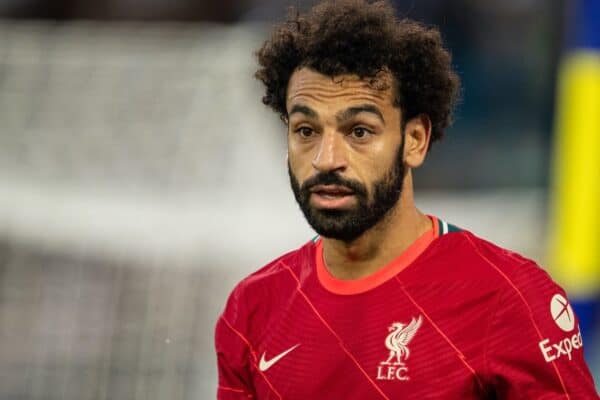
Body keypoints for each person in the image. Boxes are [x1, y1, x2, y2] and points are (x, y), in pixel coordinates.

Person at [214, 0, 599, 398]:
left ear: (415, 140)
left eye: (359, 131)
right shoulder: (252, 309)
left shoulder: (510, 297)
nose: (326, 160)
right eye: (306, 130)